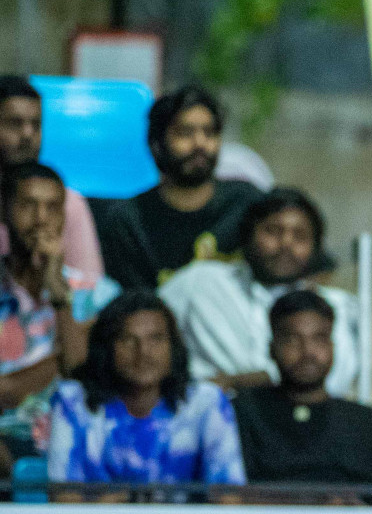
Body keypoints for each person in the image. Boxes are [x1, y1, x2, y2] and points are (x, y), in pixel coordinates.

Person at [159, 187, 359, 396]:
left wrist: (239, 382)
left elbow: (336, 381)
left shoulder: (331, 305)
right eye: (273, 231)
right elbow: (145, 327)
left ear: (315, 249)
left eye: (300, 236)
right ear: (248, 235)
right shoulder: (201, 283)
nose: (285, 245)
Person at [47, 292, 244, 485]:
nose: (143, 352)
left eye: (156, 339)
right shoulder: (72, 403)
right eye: (127, 340)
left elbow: (228, 496)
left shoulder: (207, 402)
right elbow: (63, 497)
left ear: (173, 347)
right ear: (106, 347)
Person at [0, 162, 118, 468]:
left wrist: (60, 297)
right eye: (28, 205)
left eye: (52, 208)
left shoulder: (101, 296)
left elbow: (83, 375)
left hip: (82, 448)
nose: (41, 219)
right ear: (4, 212)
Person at [96, 85, 262, 291]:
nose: (200, 143)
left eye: (209, 133)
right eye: (185, 133)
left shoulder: (247, 203)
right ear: (157, 143)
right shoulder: (128, 222)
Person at [233, 290, 372, 485]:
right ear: (271, 349)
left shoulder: (368, 424)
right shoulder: (240, 416)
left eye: (319, 338)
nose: (308, 352)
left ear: (332, 346)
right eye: (292, 340)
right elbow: (227, 495)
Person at [0, 75, 104, 277]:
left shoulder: (67, 203)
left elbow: (90, 288)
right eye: (14, 124)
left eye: (36, 125)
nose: (28, 135)